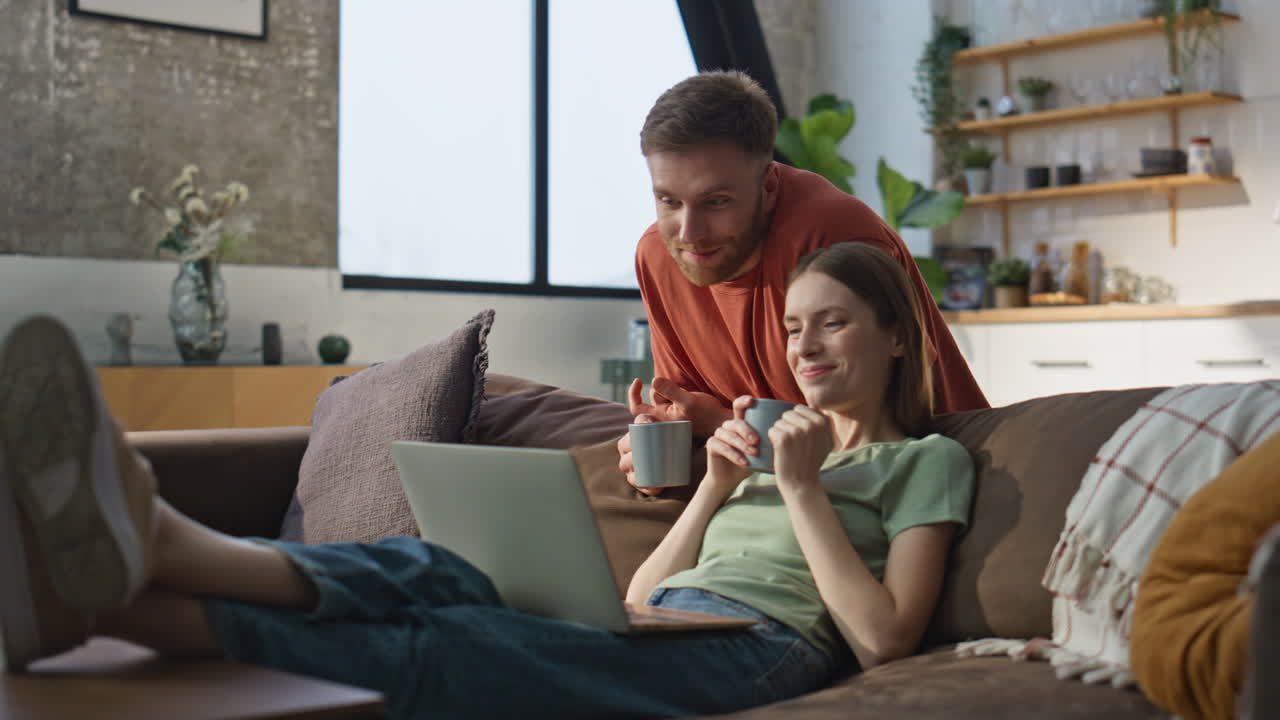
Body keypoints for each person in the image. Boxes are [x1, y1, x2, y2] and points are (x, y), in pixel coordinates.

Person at [1, 242, 974, 719]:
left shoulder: (924, 460)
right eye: (795, 326)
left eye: (833, 322)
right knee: (425, 572)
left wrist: (802, 490)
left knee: (454, 643)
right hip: (675, 615)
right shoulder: (764, 445)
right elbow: (642, 596)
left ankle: (111, 588)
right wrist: (718, 489)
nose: (803, 345)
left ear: (896, 335)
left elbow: (884, 639)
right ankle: (136, 565)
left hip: (762, 651)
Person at [618, 70, 987, 492]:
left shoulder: (830, 235)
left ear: (769, 182)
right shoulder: (658, 254)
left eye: (716, 202)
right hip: (765, 491)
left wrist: (722, 425)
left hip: (907, 489)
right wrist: (664, 443)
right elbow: (691, 421)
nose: (689, 233)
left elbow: (880, 440)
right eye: (669, 201)